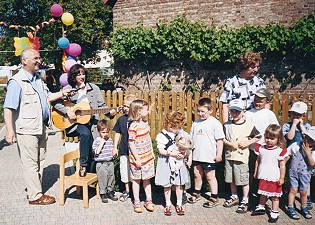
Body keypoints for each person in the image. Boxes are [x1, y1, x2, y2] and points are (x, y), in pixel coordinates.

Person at [3, 49, 73, 205]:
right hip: (26, 130)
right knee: (30, 163)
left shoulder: (38, 79)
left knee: (40, 160)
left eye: (39, 57)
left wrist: (63, 93)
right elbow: (8, 108)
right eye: (35, 58)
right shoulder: (17, 82)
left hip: (41, 127)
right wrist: (9, 131)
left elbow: (48, 97)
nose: (38, 60)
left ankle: (35, 188)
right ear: (24, 61)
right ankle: (35, 196)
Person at [53, 64, 116, 177]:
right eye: (78, 74)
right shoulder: (68, 89)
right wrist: (68, 112)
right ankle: (83, 165)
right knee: (85, 134)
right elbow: (55, 103)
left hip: (92, 123)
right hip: (74, 124)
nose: (82, 76)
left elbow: (101, 105)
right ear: (73, 77)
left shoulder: (93, 88)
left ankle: (92, 178)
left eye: (83, 74)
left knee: (93, 147)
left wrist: (109, 113)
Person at [223, 99, 261, 213]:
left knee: (244, 179)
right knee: (231, 178)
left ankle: (245, 199)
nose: (234, 114)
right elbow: (222, 138)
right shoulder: (226, 125)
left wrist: (247, 143)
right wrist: (230, 144)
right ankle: (234, 196)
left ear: (244, 111)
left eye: (237, 112)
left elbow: (258, 136)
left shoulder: (249, 125)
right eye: (232, 111)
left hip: (242, 157)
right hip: (229, 156)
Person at [188, 98, 225, 208]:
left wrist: (219, 154)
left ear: (210, 110)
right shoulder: (196, 123)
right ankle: (197, 193)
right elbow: (191, 139)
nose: (200, 114)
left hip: (209, 156)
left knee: (210, 177)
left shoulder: (215, 123)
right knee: (197, 175)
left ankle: (214, 197)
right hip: (197, 155)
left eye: (203, 111)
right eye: (198, 111)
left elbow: (220, 140)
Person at [155, 112, 192, 216]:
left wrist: (184, 155)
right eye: (173, 127)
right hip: (166, 161)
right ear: (168, 124)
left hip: (179, 162)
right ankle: (168, 204)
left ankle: (179, 204)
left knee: (178, 183)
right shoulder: (162, 136)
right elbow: (161, 150)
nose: (176, 129)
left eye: (178, 127)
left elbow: (188, 147)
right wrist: (171, 154)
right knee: (167, 184)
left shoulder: (182, 134)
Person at [252, 124, 287, 223]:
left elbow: (282, 165)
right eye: (267, 138)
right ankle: (261, 207)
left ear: (278, 139)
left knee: (275, 197)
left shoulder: (279, 151)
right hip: (264, 175)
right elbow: (257, 161)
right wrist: (256, 171)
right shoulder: (261, 148)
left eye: (272, 138)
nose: (268, 140)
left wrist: (282, 177)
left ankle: (274, 212)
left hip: (274, 177)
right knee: (263, 193)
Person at [220, 50, 265, 123]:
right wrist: (226, 126)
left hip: (254, 122)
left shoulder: (259, 82)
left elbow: (265, 103)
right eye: (253, 67)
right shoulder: (231, 82)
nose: (256, 70)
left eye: (257, 67)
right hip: (236, 122)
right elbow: (225, 106)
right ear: (245, 66)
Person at [128, 99, 155, 213]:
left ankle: (148, 200)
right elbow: (131, 143)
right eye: (145, 109)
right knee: (136, 180)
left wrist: (152, 152)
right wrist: (137, 158)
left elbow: (148, 139)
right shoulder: (133, 126)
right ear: (138, 111)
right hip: (137, 159)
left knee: (147, 180)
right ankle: (137, 201)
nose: (148, 111)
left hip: (147, 157)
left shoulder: (145, 123)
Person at [286, 126, 315, 220]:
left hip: (305, 174)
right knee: (293, 190)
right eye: (306, 137)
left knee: (303, 192)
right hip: (293, 173)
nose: (307, 140)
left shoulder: (313, 151)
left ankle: (304, 207)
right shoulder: (296, 145)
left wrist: (308, 152)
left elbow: (312, 163)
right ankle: (291, 207)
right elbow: (287, 154)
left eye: (311, 139)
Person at [112, 94, 136, 202]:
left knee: (134, 171)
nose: (124, 108)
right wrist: (115, 147)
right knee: (124, 170)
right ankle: (127, 190)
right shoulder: (121, 119)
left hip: (135, 151)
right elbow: (117, 133)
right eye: (124, 106)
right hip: (123, 150)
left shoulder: (137, 120)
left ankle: (136, 192)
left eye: (127, 106)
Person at [92, 119, 118, 203]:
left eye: (106, 132)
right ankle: (103, 193)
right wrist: (102, 143)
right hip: (101, 163)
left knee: (111, 177)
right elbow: (96, 152)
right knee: (102, 178)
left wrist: (114, 153)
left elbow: (111, 150)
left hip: (109, 162)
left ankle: (110, 191)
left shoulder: (110, 140)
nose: (105, 134)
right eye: (103, 132)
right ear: (99, 131)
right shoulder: (97, 141)